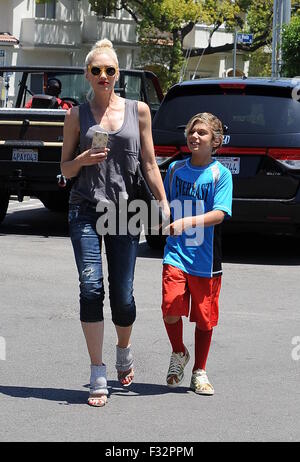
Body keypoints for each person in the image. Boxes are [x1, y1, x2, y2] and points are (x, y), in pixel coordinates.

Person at [60, 39, 169, 407]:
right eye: (96, 70)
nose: (103, 76)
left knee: (123, 296)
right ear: (87, 75)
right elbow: (65, 168)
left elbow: (150, 164)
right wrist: (83, 159)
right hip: (86, 208)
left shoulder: (138, 111)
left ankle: (124, 349)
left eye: (110, 70)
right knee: (91, 288)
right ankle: (97, 371)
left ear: (118, 74)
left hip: (125, 210)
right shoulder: (76, 115)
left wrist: (163, 202)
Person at [161, 112, 233, 395]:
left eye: (202, 133)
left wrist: (187, 221)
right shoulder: (176, 169)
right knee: (170, 308)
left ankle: (199, 371)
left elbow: (219, 214)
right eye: (192, 131)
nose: (195, 136)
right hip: (176, 252)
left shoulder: (220, 174)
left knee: (205, 319)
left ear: (215, 141)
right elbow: (165, 205)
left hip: (205, 259)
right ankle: (179, 352)